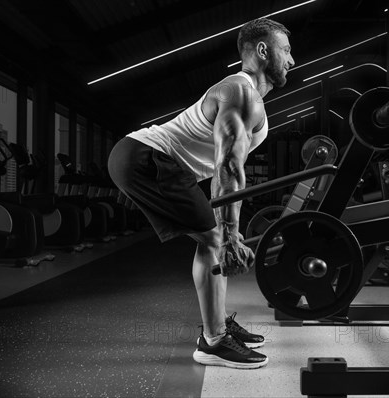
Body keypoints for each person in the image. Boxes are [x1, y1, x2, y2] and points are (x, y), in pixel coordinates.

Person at [108, 18, 294, 369]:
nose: (292, 59)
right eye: (285, 50)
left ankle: (217, 327)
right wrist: (231, 234)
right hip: (147, 157)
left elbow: (223, 171)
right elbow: (227, 167)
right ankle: (213, 341)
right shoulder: (241, 94)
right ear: (263, 50)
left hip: (152, 160)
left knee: (211, 239)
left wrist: (228, 231)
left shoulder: (252, 100)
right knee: (214, 241)